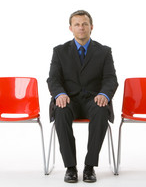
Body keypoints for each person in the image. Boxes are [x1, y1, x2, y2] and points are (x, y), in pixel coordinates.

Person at [47, 10, 118, 183]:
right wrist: (60, 94)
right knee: (61, 113)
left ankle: (89, 167)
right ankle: (70, 167)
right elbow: (53, 79)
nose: (81, 27)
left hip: (94, 100)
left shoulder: (103, 51)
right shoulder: (60, 51)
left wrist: (104, 94)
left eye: (85, 24)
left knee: (101, 112)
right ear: (70, 28)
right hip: (69, 100)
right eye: (77, 24)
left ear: (91, 27)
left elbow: (110, 79)